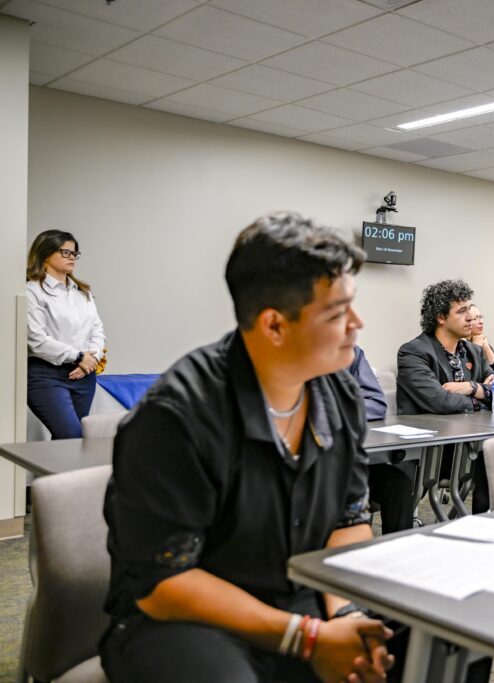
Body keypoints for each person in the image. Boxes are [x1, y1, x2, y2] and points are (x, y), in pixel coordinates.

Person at [100, 213, 394, 683]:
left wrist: (346, 617)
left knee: (444, 639)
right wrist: (307, 638)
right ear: (274, 325)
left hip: (303, 595)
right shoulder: (177, 416)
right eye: (338, 314)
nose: (357, 324)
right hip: (186, 622)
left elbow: (348, 522)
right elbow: (165, 585)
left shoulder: (339, 395)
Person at [396, 279, 494, 515]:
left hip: (468, 446)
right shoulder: (414, 352)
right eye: (462, 311)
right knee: (491, 456)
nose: (471, 317)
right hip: (432, 451)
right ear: (441, 317)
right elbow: (440, 401)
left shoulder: (473, 351)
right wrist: (483, 398)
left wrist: (472, 388)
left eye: (469, 309)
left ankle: (486, 531)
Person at [25, 230, 106, 439]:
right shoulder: (32, 291)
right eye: (65, 252)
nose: (72, 257)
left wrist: (92, 358)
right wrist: (79, 356)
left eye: (74, 253)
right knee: (70, 436)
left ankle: (59, 473)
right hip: (46, 375)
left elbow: (97, 329)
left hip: (84, 374)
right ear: (45, 254)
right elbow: (36, 339)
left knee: (74, 444)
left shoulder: (83, 291)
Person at [347, 345, 416, 533]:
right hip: (304, 467)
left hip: (348, 461)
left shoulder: (351, 351)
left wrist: (335, 410)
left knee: (398, 483)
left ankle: (396, 555)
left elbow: (376, 403)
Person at [466, 304, 494, 376]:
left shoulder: (482, 341)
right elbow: (472, 377)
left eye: (480, 317)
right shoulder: (461, 346)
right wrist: (476, 348)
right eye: (475, 318)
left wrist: (486, 346)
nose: (481, 322)